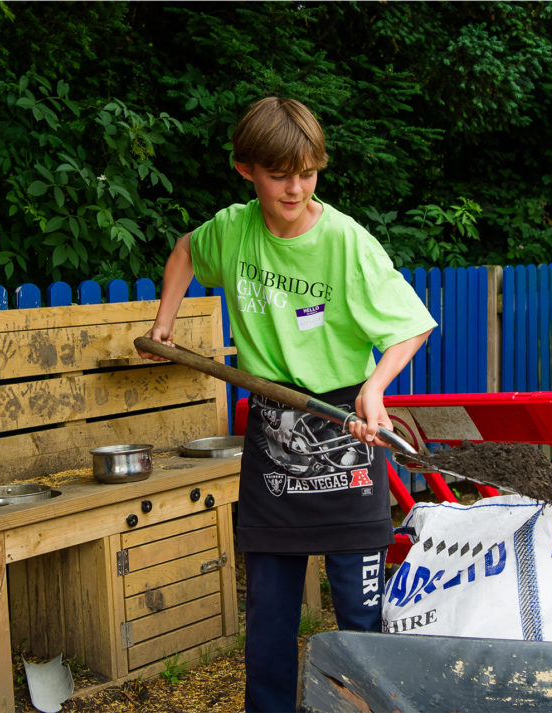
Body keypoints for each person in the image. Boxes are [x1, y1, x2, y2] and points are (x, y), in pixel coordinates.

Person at [136, 96, 436, 712]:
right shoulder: (235, 228)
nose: (296, 188)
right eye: (280, 175)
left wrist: (374, 387)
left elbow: (411, 324)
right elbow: (186, 249)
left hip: (344, 424)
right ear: (247, 170)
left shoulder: (347, 242)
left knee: (358, 609)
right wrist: (164, 323)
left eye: (308, 172)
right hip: (274, 431)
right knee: (269, 612)